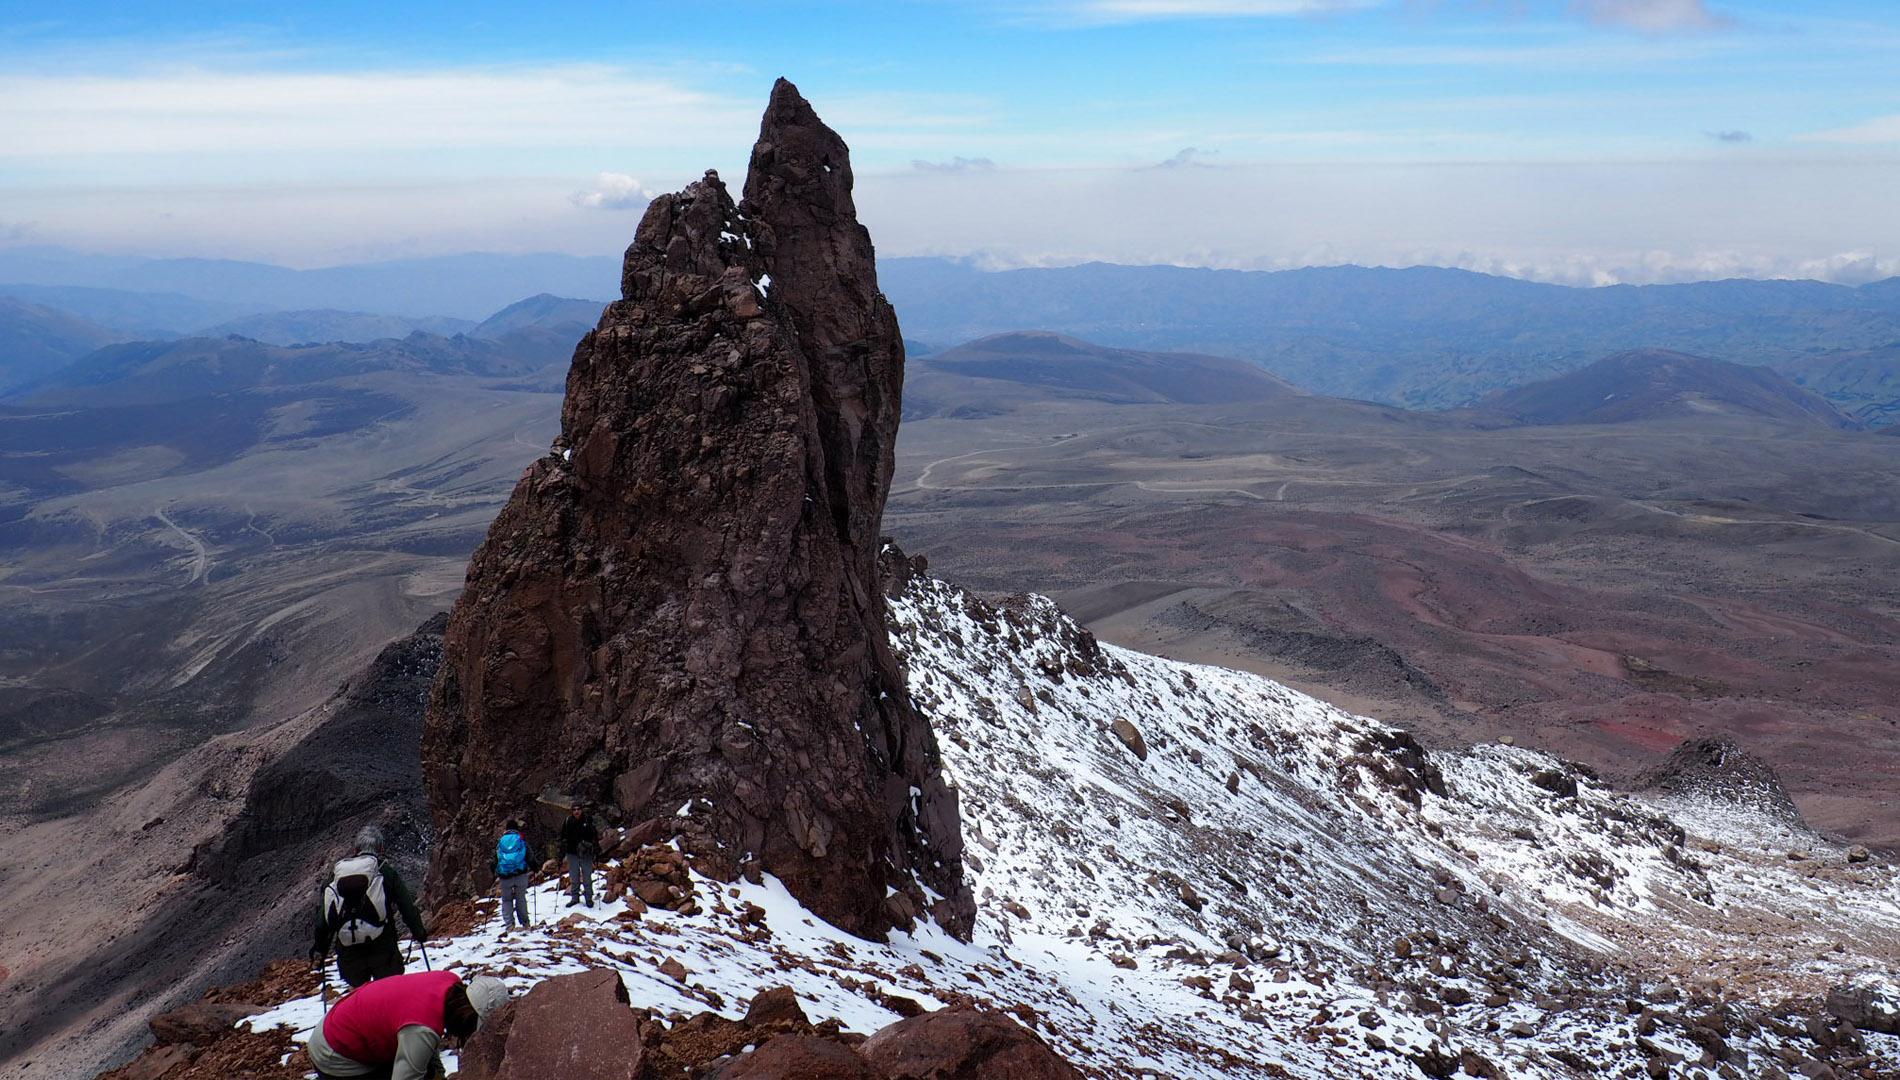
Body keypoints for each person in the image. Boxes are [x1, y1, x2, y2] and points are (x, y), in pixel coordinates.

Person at [305, 970, 509, 1080]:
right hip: (336, 1053)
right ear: (468, 1018)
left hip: (341, 1023)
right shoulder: (421, 1028)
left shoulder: (449, 982)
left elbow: (426, 1046)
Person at [312, 825, 429, 988]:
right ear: (380, 848)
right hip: (382, 948)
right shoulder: (385, 871)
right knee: (389, 994)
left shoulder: (336, 875)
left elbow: (323, 920)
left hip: (349, 954)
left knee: (361, 1001)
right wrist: (419, 932)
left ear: (356, 849)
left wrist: (320, 951)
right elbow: (406, 906)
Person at [495, 819, 532, 935]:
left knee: (506, 900)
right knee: (520, 898)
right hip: (520, 874)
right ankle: (525, 923)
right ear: (517, 829)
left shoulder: (501, 841)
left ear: (506, 829)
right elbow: (529, 855)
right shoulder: (520, 840)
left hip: (505, 876)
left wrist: (495, 871)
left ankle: (510, 925)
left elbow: (495, 859)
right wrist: (535, 867)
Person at [559, 803, 599, 908]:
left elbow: (594, 835)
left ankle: (588, 898)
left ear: (582, 810)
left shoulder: (587, 820)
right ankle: (574, 897)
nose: (576, 811)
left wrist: (596, 848)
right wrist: (561, 852)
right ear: (572, 811)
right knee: (574, 876)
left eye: (578, 809)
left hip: (586, 853)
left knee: (587, 876)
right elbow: (563, 837)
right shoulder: (568, 821)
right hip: (572, 852)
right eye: (574, 809)